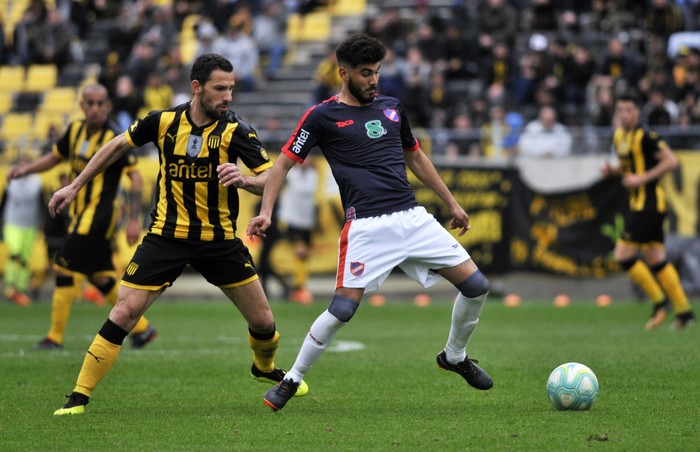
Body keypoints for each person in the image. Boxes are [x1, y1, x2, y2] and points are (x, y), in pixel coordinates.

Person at [48, 53, 308, 416]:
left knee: (264, 323)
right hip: (166, 236)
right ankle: (78, 397)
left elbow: (273, 175)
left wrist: (245, 180)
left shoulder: (237, 130)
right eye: (220, 89)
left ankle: (263, 367)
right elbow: (116, 146)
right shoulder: (163, 121)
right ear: (197, 88)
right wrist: (75, 185)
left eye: (231, 89)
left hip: (219, 240)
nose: (228, 96)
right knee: (125, 311)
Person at [247, 34, 493, 412]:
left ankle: (455, 356)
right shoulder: (321, 116)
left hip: (412, 218)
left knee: (477, 286)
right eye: (365, 73)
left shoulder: (392, 108)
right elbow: (282, 164)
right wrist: (265, 210)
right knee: (342, 310)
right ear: (343, 73)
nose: (374, 80)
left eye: (376, 72)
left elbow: (416, 158)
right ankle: (292, 378)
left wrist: (451, 203)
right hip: (366, 226)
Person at [7, 84, 157, 351]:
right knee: (99, 275)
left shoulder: (116, 136)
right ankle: (144, 329)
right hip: (79, 216)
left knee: (63, 265)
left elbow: (135, 178)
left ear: (108, 106)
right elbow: (55, 157)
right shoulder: (75, 130)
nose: (96, 108)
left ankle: (54, 337)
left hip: (99, 217)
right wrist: (26, 169)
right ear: (82, 105)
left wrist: (134, 219)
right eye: (91, 103)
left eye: (101, 103)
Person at [602, 91, 696, 331]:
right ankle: (684, 312)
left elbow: (670, 161)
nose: (623, 115)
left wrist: (642, 178)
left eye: (628, 110)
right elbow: (628, 168)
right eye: (620, 110)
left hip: (651, 205)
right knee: (655, 257)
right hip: (640, 205)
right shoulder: (620, 136)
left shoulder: (646, 136)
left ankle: (660, 301)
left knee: (622, 254)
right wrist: (612, 171)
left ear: (637, 112)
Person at [2, 152, 44, 306]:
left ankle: (20, 288)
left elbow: (41, 203)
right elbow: (4, 201)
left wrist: (42, 222)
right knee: (15, 252)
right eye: (20, 163)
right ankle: (9, 286)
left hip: (30, 225)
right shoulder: (10, 180)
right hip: (12, 222)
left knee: (25, 257)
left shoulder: (37, 182)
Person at [278, 155, 319, 305]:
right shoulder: (291, 175)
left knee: (304, 256)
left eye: (309, 159)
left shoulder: (313, 175)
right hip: (291, 220)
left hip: (306, 222)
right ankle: (296, 286)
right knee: (298, 252)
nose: (306, 162)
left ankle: (299, 286)